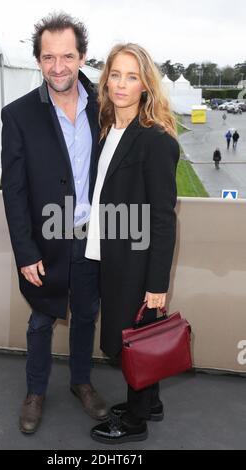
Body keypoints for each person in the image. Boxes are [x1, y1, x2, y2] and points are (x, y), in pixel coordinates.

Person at [1, 12, 108, 435]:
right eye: (49, 57)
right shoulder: (18, 115)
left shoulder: (107, 106)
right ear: (38, 60)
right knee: (41, 320)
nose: (58, 66)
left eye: (67, 56)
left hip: (92, 236)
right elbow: (14, 191)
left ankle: (81, 381)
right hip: (45, 239)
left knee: (86, 314)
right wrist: (25, 252)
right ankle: (35, 392)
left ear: (82, 57)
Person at [85, 43, 180, 444]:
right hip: (113, 252)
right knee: (140, 336)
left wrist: (157, 284)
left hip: (137, 260)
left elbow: (163, 218)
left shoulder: (155, 140)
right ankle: (151, 403)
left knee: (130, 341)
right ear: (105, 79)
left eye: (132, 76)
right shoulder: (109, 129)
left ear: (145, 85)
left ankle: (136, 422)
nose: (121, 84)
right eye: (115, 74)